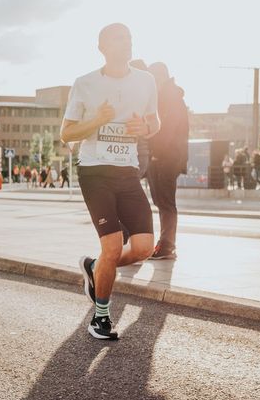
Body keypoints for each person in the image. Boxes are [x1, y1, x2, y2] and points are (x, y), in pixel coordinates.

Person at [62, 24, 159, 341]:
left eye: (130, 38)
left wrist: (143, 126)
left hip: (128, 170)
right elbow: (67, 134)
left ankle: (95, 268)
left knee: (144, 247)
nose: (127, 43)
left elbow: (154, 123)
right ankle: (100, 317)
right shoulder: (85, 83)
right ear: (102, 46)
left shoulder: (146, 81)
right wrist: (98, 121)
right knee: (114, 245)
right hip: (94, 170)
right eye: (119, 39)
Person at [146, 62, 189, 260]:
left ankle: (167, 246)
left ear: (158, 77)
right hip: (162, 156)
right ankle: (165, 244)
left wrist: (157, 152)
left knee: (165, 202)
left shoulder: (170, 97)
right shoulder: (165, 96)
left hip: (166, 157)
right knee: (161, 201)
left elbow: (168, 129)